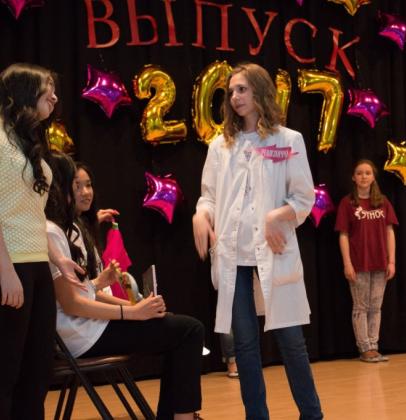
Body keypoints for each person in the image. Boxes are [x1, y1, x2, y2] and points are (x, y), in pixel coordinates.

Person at [193, 62, 323, 420]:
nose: (235, 97)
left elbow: (304, 198)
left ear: (261, 92)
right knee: (246, 348)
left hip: (274, 252)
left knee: (291, 343)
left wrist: (275, 216)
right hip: (233, 257)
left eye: (243, 89)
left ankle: (312, 415)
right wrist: (201, 214)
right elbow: (209, 196)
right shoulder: (220, 146)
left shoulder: (286, 141)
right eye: (231, 91)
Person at [45, 153, 205, 420]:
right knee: (190, 330)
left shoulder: (69, 228)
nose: (83, 192)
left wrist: (138, 308)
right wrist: (132, 312)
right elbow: (72, 303)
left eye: (87, 185)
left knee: (178, 327)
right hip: (81, 336)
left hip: (90, 328)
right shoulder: (52, 232)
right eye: (75, 185)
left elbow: (87, 292)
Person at [0, 63, 83, 420]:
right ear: (23, 93)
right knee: (7, 369)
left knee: (36, 371)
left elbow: (30, 212)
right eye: (47, 89)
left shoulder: (28, 143)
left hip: (36, 267)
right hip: (10, 265)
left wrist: (57, 258)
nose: (54, 97)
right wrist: (5, 272)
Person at [334, 159, 398, 363]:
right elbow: (343, 234)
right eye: (359, 173)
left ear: (373, 177)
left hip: (380, 262)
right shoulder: (348, 203)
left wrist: (391, 261)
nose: (364, 176)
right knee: (361, 306)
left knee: (376, 306)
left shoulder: (383, 202)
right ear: (353, 177)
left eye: (368, 173)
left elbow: (389, 232)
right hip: (359, 263)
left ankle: (373, 345)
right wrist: (347, 264)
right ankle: (364, 348)